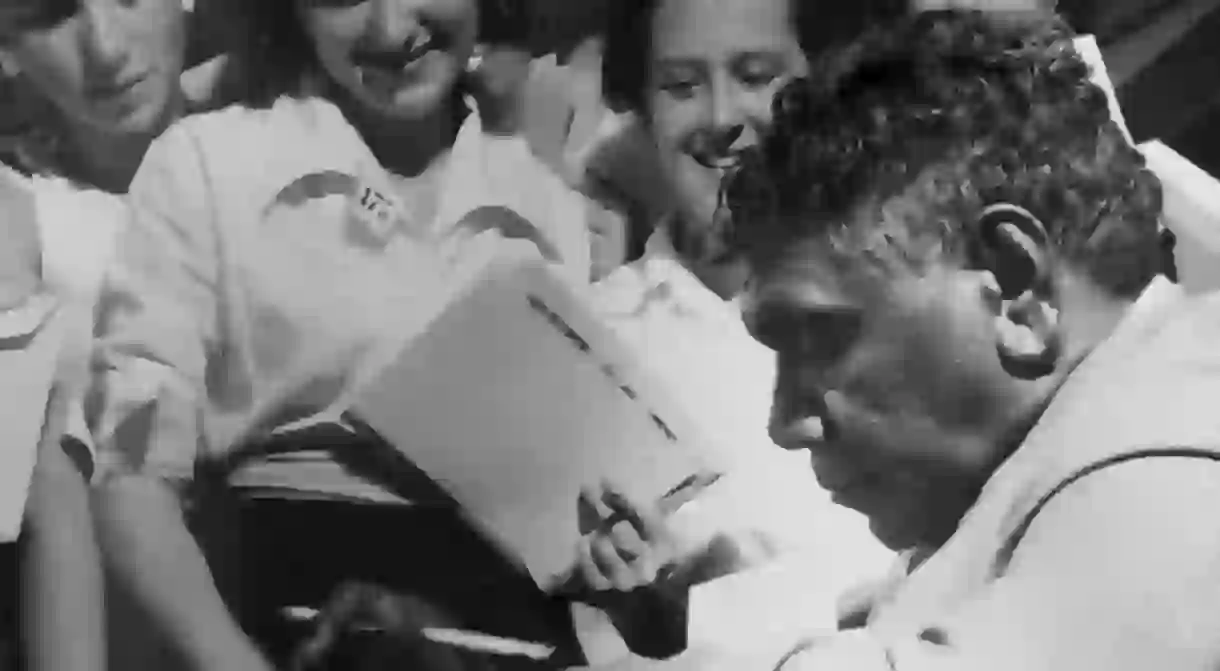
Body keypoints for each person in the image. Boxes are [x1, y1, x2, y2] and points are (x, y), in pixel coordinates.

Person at [578, 9, 1216, 670]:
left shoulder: (1171, 489)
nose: (785, 422)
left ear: (1014, 287)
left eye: (817, 337)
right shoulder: (1066, 457)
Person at [86, 0, 596, 669]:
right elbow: (132, 474)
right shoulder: (208, 169)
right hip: (297, 635)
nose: (390, 29)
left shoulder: (547, 203)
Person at [558, 0, 904, 660]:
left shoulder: (908, 283)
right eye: (681, 86)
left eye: (756, 76)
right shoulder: (595, 342)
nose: (720, 118)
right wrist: (649, 605)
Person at [0, 2, 191, 669]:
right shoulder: (17, 213)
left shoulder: (290, 137)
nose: (104, 47)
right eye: (50, 16)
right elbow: (44, 488)